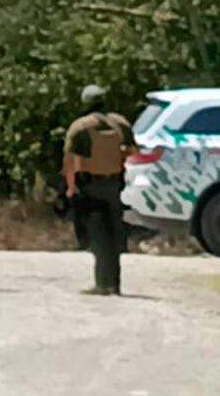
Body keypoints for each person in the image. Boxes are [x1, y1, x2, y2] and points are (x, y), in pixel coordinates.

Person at [63, 84, 137, 296]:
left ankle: (102, 284)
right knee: (114, 233)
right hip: (115, 184)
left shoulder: (80, 127)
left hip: (91, 186)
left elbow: (69, 160)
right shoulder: (121, 123)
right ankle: (114, 284)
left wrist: (70, 187)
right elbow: (134, 151)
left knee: (98, 234)